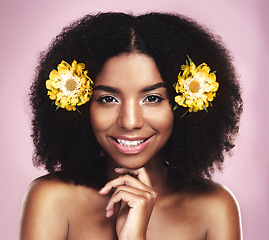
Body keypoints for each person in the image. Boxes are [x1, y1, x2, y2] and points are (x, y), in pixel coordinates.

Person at [19, 12, 243, 239]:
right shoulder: (51, 199)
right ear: (82, 104)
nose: (129, 122)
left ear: (183, 105)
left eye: (152, 98)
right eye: (108, 99)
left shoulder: (214, 208)